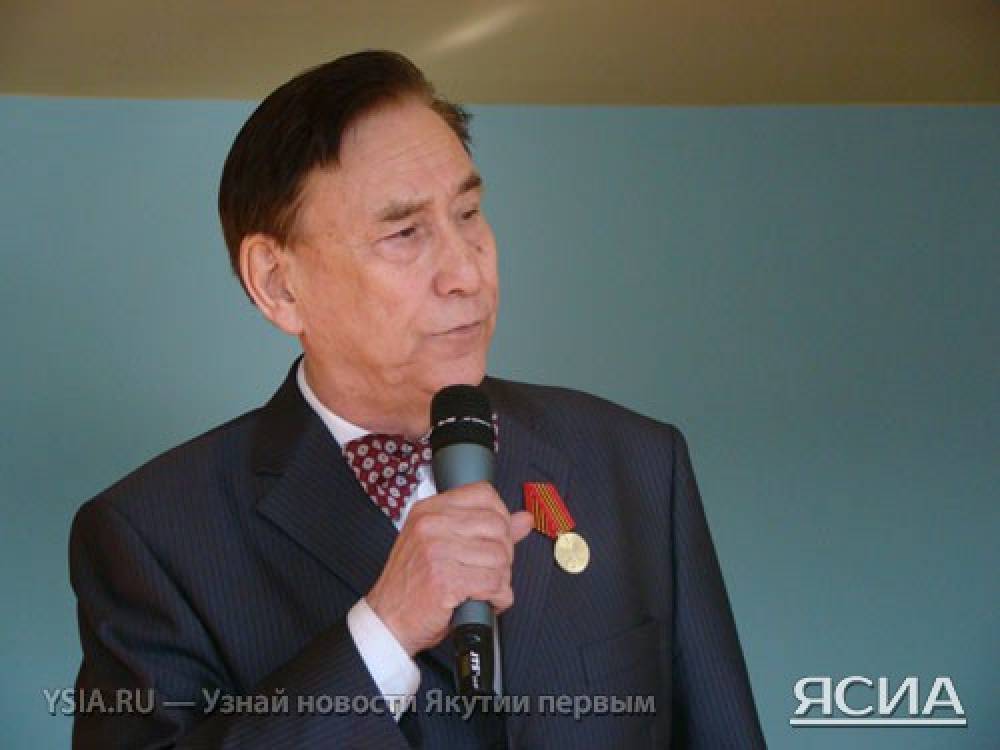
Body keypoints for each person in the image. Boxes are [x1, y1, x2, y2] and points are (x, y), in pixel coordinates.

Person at [69, 50, 765, 748]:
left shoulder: (636, 464)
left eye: (468, 212)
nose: (467, 272)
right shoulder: (151, 538)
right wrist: (383, 632)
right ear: (278, 284)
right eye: (404, 233)